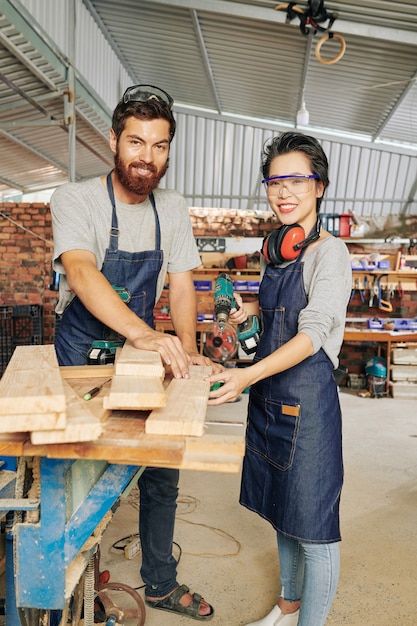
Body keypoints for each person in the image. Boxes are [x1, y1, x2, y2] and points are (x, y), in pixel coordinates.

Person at [50, 83, 221, 621]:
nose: (147, 157)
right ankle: (69, 582)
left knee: (161, 471)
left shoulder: (171, 207)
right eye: (136, 142)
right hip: (80, 353)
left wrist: (187, 355)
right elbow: (81, 271)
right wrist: (145, 334)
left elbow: (180, 283)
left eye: (160, 145)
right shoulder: (74, 199)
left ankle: (160, 584)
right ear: (113, 142)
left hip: (137, 357)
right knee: (74, 473)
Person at [207, 131, 352, 626]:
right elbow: (277, 321)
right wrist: (246, 313)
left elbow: (311, 335)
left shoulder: (329, 254)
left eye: (297, 179)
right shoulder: (278, 252)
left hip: (307, 405)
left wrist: (246, 375)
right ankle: (288, 609)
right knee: (284, 514)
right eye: (274, 181)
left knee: (314, 526)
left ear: (320, 186)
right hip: (272, 399)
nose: (283, 191)